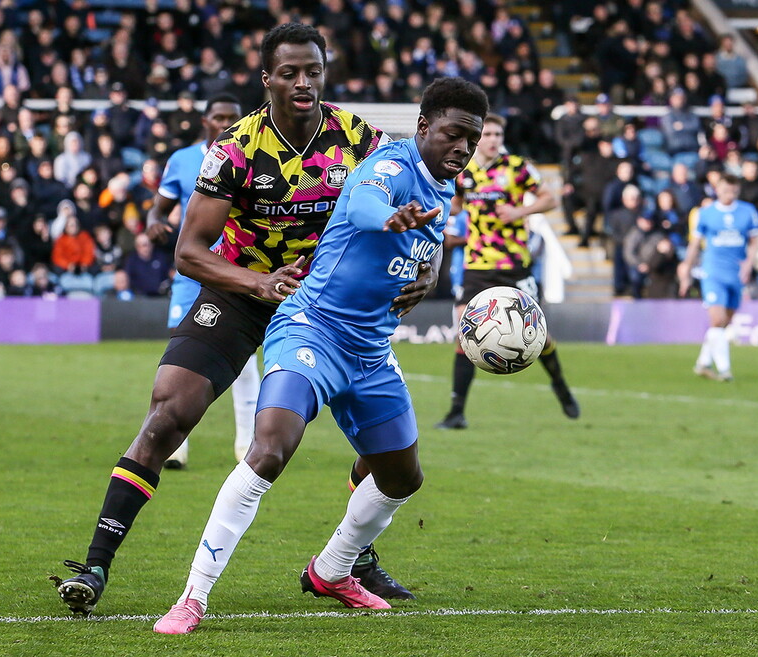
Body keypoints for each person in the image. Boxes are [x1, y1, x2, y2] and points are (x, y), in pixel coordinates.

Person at [56, 23, 429, 617]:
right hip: (241, 291)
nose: (303, 82)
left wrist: (427, 267)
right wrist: (258, 283)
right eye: (289, 73)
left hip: (325, 307)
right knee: (168, 414)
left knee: (384, 443)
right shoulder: (235, 148)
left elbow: (415, 198)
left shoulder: (359, 137)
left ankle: (353, 557)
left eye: (312, 71)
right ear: (267, 79)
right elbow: (188, 252)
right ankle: (96, 563)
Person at [152, 76, 489, 635]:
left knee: (402, 478)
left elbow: (423, 246)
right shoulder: (391, 166)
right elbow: (364, 204)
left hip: (370, 349)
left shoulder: (443, 185)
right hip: (312, 329)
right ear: (423, 126)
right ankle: (193, 597)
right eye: (453, 134)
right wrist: (387, 218)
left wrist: (429, 272)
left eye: (471, 140)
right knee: (269, 450)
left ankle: (332, 569)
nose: (462, 148)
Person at [434, 113, 579, 431]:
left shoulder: (517, 167)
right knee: (464, 335)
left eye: (498, 135)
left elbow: (550, 199)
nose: (493, 140)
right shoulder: (464, 170)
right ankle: (456, 412)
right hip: (477, 265)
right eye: (487, 135)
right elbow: (455, 204)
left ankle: (560, 386)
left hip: (514, 265)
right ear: (478, 138)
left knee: (538, 336)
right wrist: (442, 214)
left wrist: (520, 211)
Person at [146, 92, 256, 467]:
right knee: (181, 356)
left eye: (232, 117)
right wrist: (154, 224)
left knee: (245, 362)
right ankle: (174, 446)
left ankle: (246, 445)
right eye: (219, 117)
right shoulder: (182, 160)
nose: (226, 124)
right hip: (193, 271)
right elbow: (158, 209)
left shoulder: (254, 156)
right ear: (205, 121)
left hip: (238, 271)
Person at [678, 174, 758, 382]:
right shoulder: (706, 213)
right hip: (713, 271)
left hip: (736, 273)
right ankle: (725, 370)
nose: (729, 194)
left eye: (733, 191)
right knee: (717, 319)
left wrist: (748, 263)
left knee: (724, 323)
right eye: (725, 190)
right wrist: (687, 268)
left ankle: (703, 363)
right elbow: (695, 243)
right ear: (717, 190)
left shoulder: (747, 212)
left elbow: (754, 241)